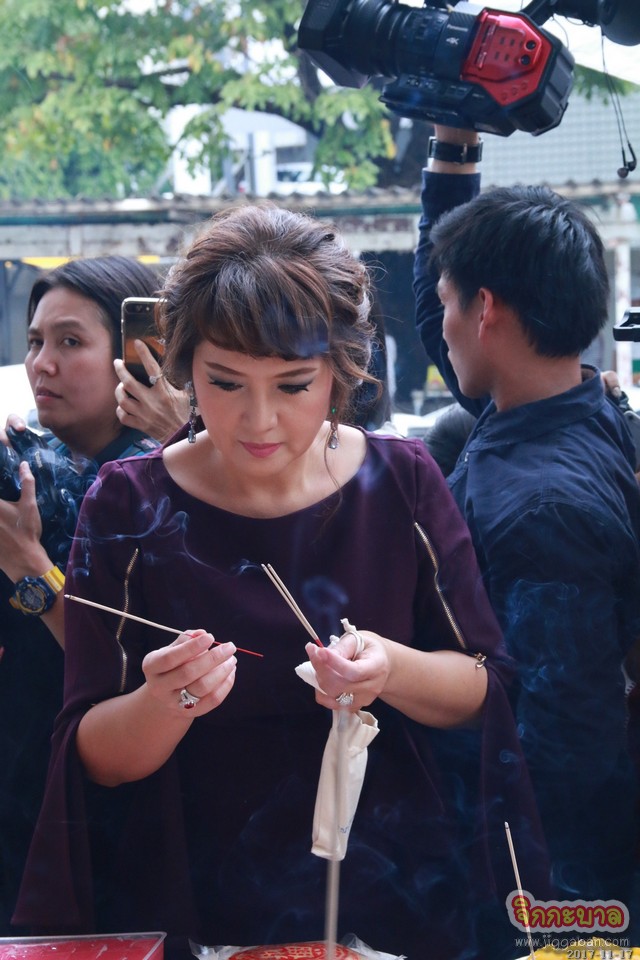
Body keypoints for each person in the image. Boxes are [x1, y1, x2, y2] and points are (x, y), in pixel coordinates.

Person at [15, 204, 548, 960]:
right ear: (183, 366)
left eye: (294, 386)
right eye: (225, 383)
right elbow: (91, 753)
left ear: (340, 372)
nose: (258, 421)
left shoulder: (401, 481)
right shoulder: (128, 502)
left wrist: (389, 669)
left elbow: (483, 686)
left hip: (395, 886)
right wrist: (165, 703)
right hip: (195, 897)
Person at [413, 126, 640, 916]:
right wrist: (454, 144)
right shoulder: (574, 405)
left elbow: (561, 751)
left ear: (486, 310)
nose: (437, 321)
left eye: (451, 301)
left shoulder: (542, 507)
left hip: (546, 888)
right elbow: (436, 308)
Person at [0, 256, 162, 933]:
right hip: (21, 778)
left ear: (135, 356)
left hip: (116, 798)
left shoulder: (163, 481)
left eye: (70, 342)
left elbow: (130, 660)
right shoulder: (22, 469)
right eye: (35, 341)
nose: (42, 364)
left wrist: (30, 567)